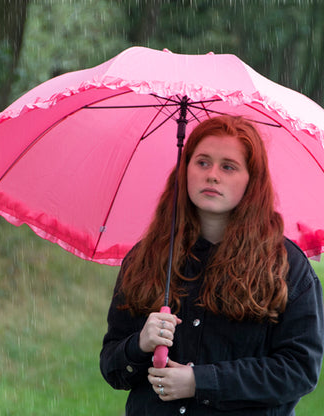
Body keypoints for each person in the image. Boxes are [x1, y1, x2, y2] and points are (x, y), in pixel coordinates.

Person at [100, 115, 324, 415]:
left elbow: (299, 371)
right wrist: (139, 345)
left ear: (251, 181)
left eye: (228, 166)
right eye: (202, 162)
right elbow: (113, 368)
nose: (213, 175)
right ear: (185, 170)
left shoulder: (286, 268)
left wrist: (201, 382)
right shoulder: (147, 258)